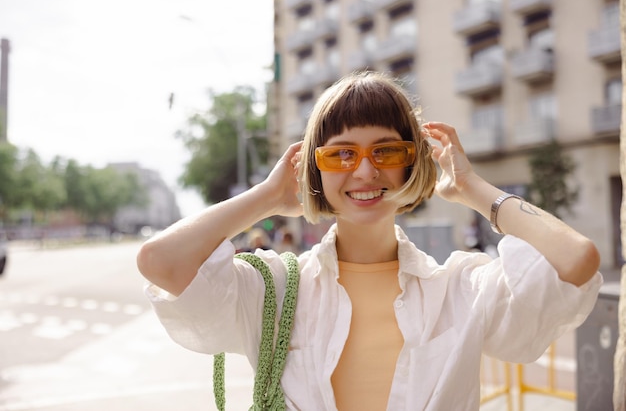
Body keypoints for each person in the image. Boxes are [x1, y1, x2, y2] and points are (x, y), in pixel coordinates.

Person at [136, 71, 602, 410]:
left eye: (386, 150)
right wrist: (268, 197)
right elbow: (161, 263)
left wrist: (472, 188)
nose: (364, 170)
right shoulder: (274, 291)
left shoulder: (458, 290)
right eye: (341, 154)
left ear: (410, 161)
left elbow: (575, 259)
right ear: (316, 167)